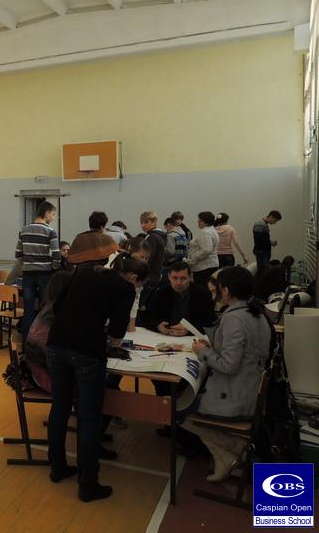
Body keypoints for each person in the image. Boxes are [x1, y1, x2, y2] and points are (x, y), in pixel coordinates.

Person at [46, 246, 148, 502]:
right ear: (134, 278)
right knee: (89, 418)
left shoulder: (85, 271)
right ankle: (88, 483)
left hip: (56, 344)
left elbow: (57, 306)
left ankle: (57, 467)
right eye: (138, 286)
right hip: (87, 352)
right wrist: (107, 334)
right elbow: (117, 333)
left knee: (60, 408)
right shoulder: (125, 289)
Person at [181, 267, 271, 482]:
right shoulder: (258, 313)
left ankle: (233, 447)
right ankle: (226, 455)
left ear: (226, 291)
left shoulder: (234, 318)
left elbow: (229, 366)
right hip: (249, 391)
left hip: (235, 396)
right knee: (186, 400)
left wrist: (203, 352)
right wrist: (213, 348)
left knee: (177, 408)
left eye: (218, 289)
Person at [16, 201, 60, 341]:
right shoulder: (50, 231)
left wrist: (26, 265)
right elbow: (56, 254)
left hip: (28, 274)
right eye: (53, 214)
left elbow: (18, 254)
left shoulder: (24, 230)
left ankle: (26, 341)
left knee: (28, 310)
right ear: (46, 213)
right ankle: (41, 341)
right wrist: (54, 267)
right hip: (44, 274)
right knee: (45, 309)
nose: (53, 218)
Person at [145, 261, 216, 336]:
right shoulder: (161, 293)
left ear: (190, 277)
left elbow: (210, 321)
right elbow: (148, 316)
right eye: (174, 278)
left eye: (183, 278)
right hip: (166, 336)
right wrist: (158, 326)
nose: (178, 283)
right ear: (169, 276)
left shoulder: (202, 294)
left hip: (192, 338)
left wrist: (189, 330)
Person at [187, 211, 220, 287]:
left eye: (200, 220)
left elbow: (206, 250)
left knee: (202, 288)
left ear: (206, 222)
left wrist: (192, 258)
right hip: (210, 265)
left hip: (204, 267)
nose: (198, 222)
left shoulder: (205, 232)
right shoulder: (212, 230)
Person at [139, 211, 167, 289]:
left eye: (146, 222)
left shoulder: (152, 237)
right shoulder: (160, 235)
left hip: (150, 275)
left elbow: (148, 256)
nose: (143, 225)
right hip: (156, 274)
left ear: (154, 222)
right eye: (141, 222)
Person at [252, 210, 282, 276]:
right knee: (262, 271)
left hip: (263, 251)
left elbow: (263, 239)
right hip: (261, 251)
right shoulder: (260, 224)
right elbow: (259, 239)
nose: (275, 223)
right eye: (275, 220)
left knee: (263, 270)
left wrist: (270, 242)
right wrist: (269, 243)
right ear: (271, 216)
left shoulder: (264, 224)